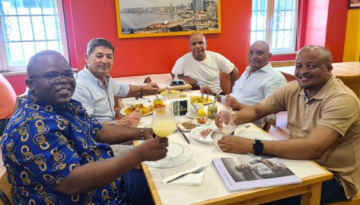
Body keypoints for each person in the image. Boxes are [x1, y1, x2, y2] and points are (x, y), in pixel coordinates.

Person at [0, 50, 168, 205]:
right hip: (84, 199)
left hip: (108, 186)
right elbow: (72, 182)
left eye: (67, 74)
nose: (63, 80)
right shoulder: (29, 127)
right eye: (51, 75)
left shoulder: (65, 105)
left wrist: (142, 132)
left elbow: (99, 130)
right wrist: (137, 154)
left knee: (161, 183)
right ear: (30, 84)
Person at [216, 45, 360, 204]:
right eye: (299, 66)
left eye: (311, 66)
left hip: (334, 176)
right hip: (297, 162)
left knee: (257, 199)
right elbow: (257, 110)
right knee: (233, 184)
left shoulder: (342, 100)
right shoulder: (294, 89)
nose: (303, 71)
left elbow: (314, 148)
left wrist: (252, 145)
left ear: (328, 69)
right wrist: (232, 118)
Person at [72, 38, 160, 127]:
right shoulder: (79, 86)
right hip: (98, 139)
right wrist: (121, 123)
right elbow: (84, 125)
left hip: (112, 130)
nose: (105, 61)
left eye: (109, 57)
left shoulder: (105, 78)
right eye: (99, 56)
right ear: (87, 58)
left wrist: (142, 87)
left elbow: (121, 88)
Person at [201, 41, 287, 126]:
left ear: (269, 56)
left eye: (259, 53)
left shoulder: (275, 78)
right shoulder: (247, 71)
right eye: (251, 52)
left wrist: (239, 106)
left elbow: (270, 114)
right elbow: (234, 100)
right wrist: (214, 95)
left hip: (247, 124)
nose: (253, 57)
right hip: (229, 116)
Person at [171, 32, 239, 94]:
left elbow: (235, 72)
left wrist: (232, 93)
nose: (197, 46)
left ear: (206, 44)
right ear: (189, 46)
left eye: (200, 43)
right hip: (193, 95)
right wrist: (187, 79)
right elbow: (174, 74)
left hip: (215, 95)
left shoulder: (216, 57)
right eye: (194, 44)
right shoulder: (183, 60)